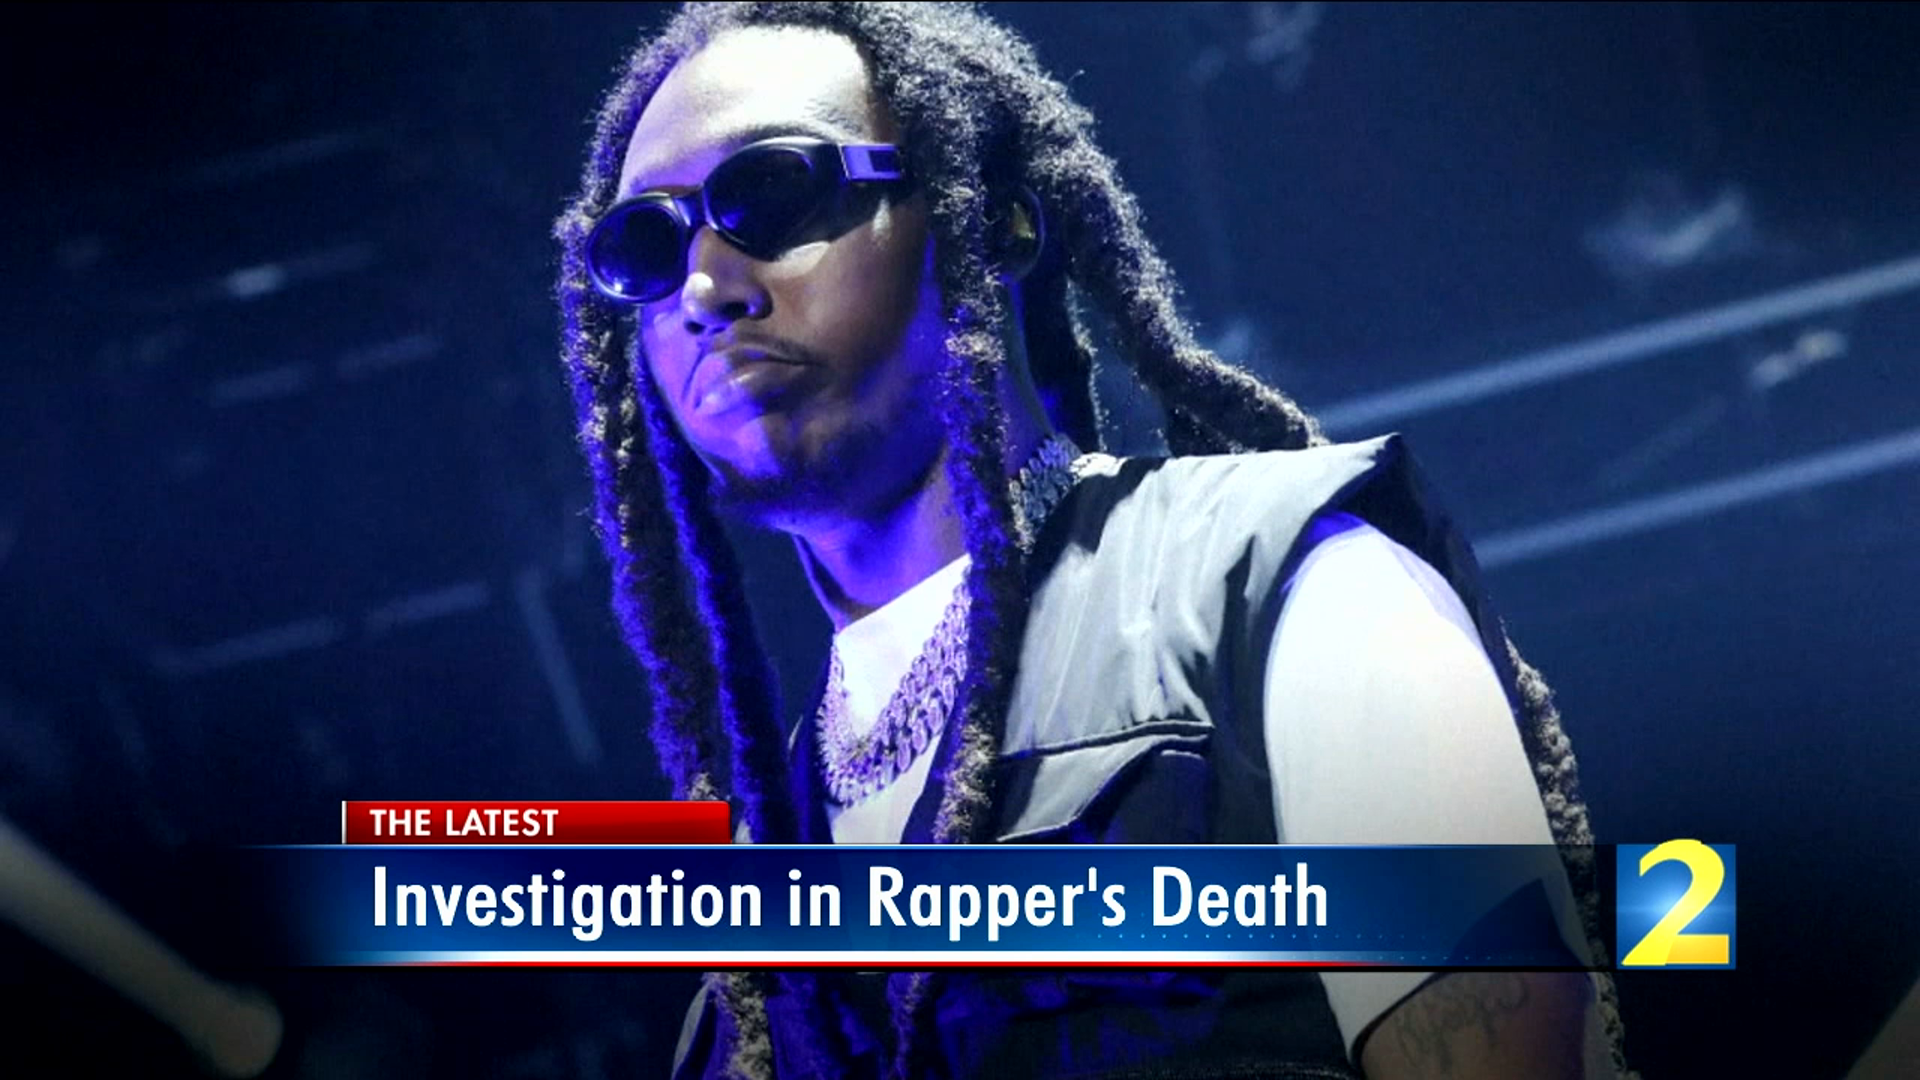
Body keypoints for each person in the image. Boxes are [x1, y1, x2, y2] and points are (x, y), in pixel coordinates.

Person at [553, 4, 1628, 1077]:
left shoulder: (1287, 590)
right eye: (643, 248)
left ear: (991, 225)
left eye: (771, 193)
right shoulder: (755, 907)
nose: (704, 288)